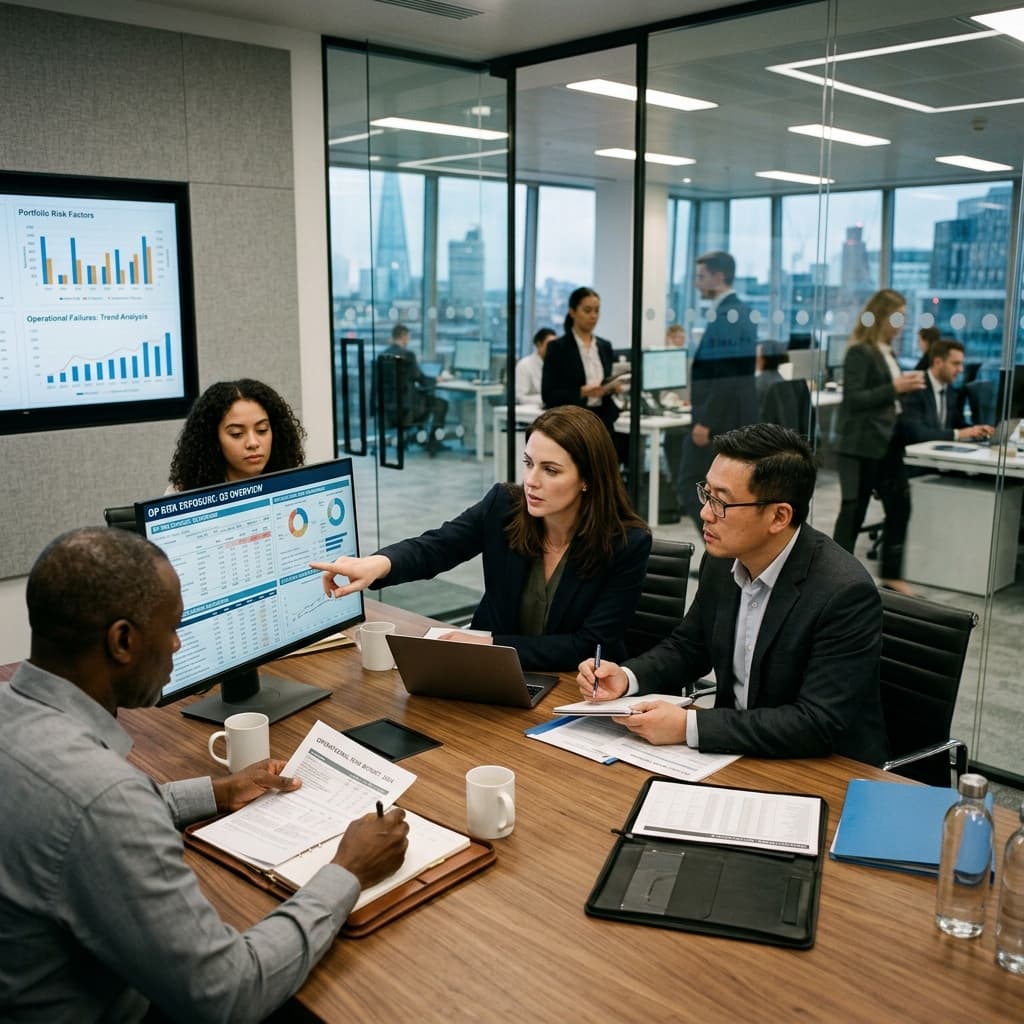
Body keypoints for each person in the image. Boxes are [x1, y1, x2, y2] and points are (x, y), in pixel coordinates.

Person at [0, 527, 409, 1021]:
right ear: (123, 640)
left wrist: (216, 792)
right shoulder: (103, 801)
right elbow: (228, 993)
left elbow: (70, 814)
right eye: (172, 627)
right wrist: (346, 872)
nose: (177, 643)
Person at [577, 423, 887, 764]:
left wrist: (689, 726)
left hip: (822, 768)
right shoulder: (723, 560)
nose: (705, 513)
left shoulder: (843, 593)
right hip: (735, 755)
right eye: (706, 493)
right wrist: (626, 678)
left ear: (779, 516)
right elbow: (688, 647)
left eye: (721, 502)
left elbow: (815, 722)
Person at [311, 405, 651, 670]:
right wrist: (379, 564)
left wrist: (489, 646)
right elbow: (439, 546)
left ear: (587, 479)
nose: (531, 480)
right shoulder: (505, 506)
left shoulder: (627, 543)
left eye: (550, 470)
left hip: (573, 687)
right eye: (529, 463)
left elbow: (589, 646)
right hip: (492, 676)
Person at [832, 289, 926, 595]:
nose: (902, 323)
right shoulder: (861, 351)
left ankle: (891, 575)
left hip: (887, 442)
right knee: (853, 513)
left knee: (900, 506)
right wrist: (896, 386)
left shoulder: (887, 351)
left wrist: (902, 388)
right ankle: (833, 577)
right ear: (882, 316)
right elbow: (855, 399)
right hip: (861, 445)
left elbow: (884, 395)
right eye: (897, 316)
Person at [676, 251, 758, 531]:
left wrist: (706, 422)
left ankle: (723, 558)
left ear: (718, 277)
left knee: (691, 487)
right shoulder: (737, 312)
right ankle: (724, 557)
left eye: (701, 277)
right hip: (729, 416)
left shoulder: (729, 316)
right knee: (716, 492)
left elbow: (727, 377)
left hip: (718, 421)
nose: (697, 284)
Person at [168, 378, 306, 492]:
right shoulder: (182, 495)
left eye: (262, 430)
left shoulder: (299, 483)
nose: (253, 443)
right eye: (237, 434)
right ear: (214, 440)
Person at [541, 287, 628, 460]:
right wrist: (581, 392)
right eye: (587, 310)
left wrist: (610, 388)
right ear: (572, 312)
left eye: (597, 311)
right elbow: (549, 395)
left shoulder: (604, 346)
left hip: (602, 420)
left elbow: (604, 381)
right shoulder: (558, 348)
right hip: (574, 423)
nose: (593, 316)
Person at [901, 337, 993, 445]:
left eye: (961, 364)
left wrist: (977, 430)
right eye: (955, 364)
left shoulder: (950, 392)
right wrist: (959, 434)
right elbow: (917, 433)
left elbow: (955, 425)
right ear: (938, 362)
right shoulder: (915, 388)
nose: (961, 369)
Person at [376, 323, 449, 455]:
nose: (408, 340)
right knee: (440, 404)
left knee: (424, 399)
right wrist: (436, 379)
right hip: (406, 409)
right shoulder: (407, 355)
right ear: (403, 336)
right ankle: (432, 443)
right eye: (408, 336)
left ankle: (419, 438)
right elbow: (419, 378)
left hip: (387, 408)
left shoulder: (383, 355)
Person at [515, 327, 555, 402]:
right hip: (529, 411)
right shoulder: (524, 365)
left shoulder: (556, 365)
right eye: (550, 344)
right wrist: (547, 398)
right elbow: (519, 397)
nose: (554, 347)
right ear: (539, 344)